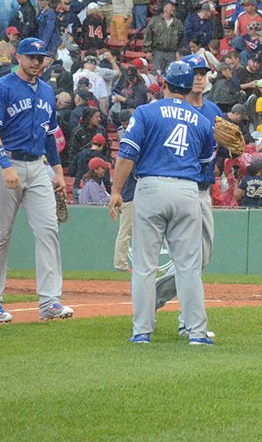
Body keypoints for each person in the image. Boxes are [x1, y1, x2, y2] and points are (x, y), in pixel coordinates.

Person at [109, 61, 216, 345]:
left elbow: (127, 155)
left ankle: (142, 331)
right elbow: (207, 167)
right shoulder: (203, 121)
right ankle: (196, 332)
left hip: (152, 187)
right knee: (189, 267)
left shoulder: (145, 112)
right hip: (187, 190)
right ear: (188, 85)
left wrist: (117, 189)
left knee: (145, 265)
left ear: (165, 84)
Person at [0, 37, 73, 323]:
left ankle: (50, 302)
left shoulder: (46, 90)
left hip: (37, 166)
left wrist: (57, 171)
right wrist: (5, 165)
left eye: (40, 57)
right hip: (5, 162)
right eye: (31, 56)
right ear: (18, 57)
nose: (36, 61)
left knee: (48, 231)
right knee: (0, 234)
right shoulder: (2, 87)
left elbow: (48, 135)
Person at [153, 55, 221, 314]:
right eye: (195, 73)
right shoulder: (169, 109)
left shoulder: (213, 111)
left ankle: (153, 295)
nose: (199, 78)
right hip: (179, 188)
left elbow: (219, 151)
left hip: (203, 191)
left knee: (202, 256)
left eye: (203, 73)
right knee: (190, 258)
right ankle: (187, 319)